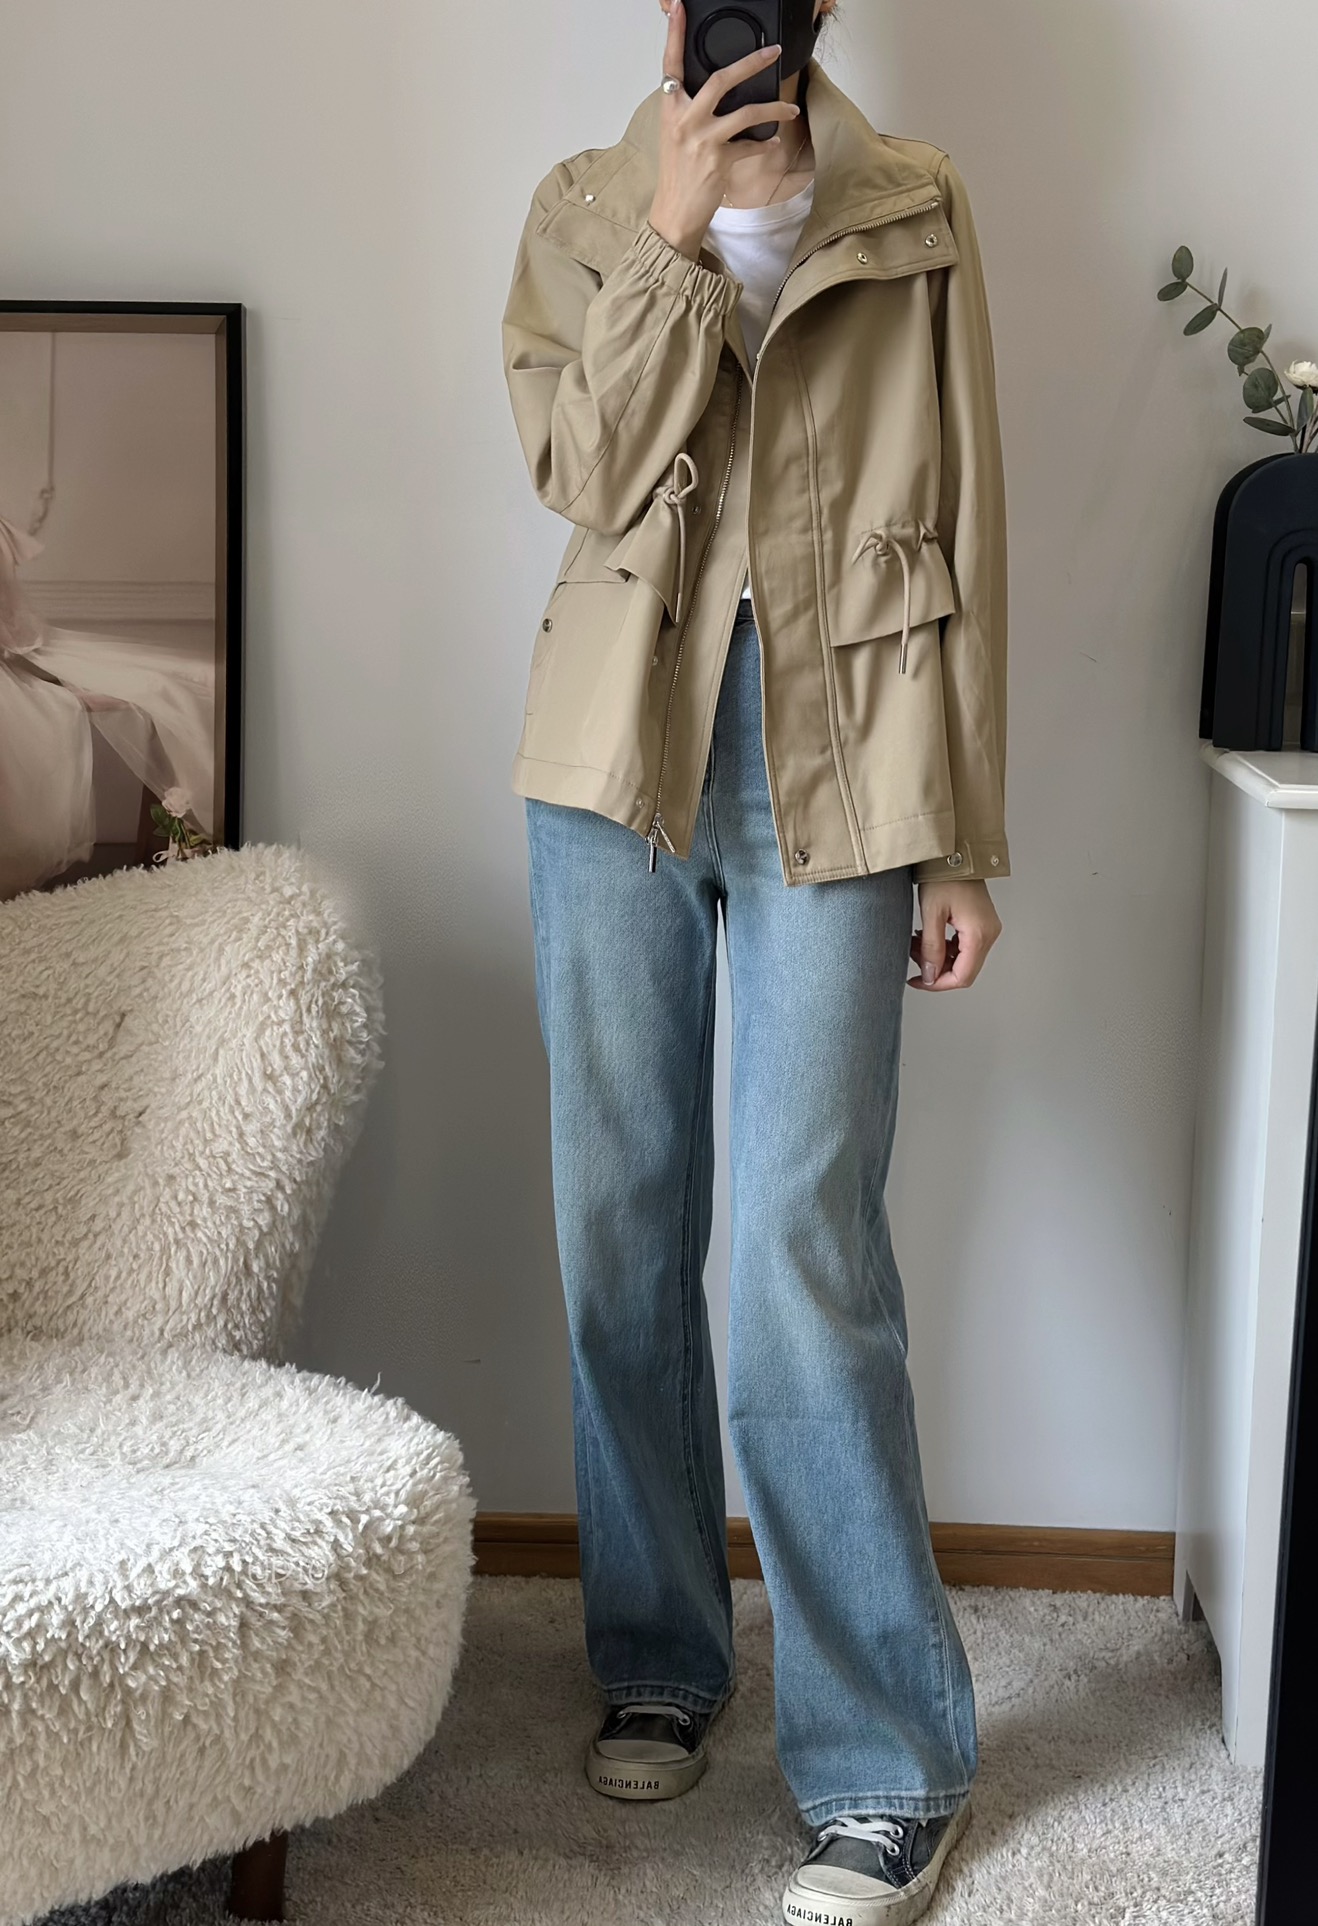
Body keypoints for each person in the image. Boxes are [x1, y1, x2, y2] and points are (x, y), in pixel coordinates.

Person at [500, 3, 1008, 1919]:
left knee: (807, 1243)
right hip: (610, 759)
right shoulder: (581, 203)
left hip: (849, 761)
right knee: (619, 1220)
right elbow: (581, 464)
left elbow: (969, 520)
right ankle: (656, 1652)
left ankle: (883, 1757)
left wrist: (965, 836)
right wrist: (671, 229)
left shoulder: (914, 203)